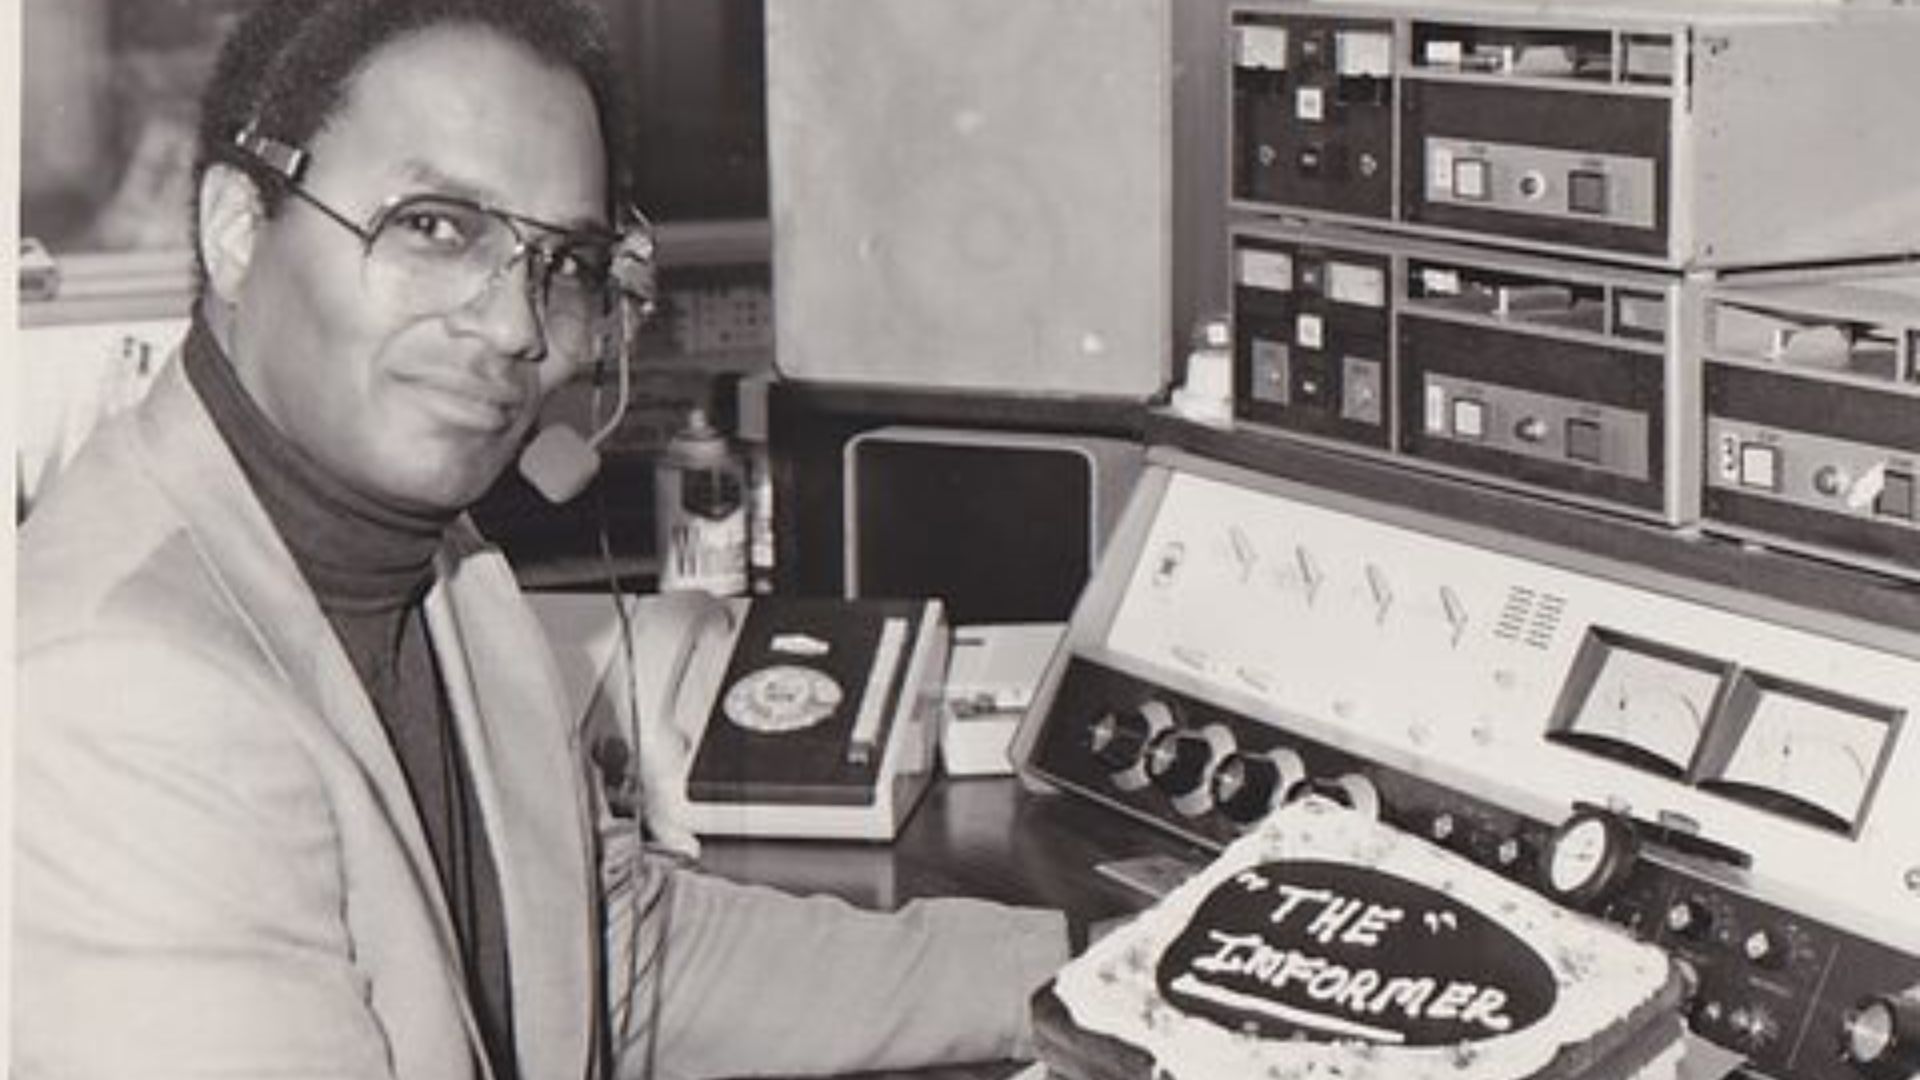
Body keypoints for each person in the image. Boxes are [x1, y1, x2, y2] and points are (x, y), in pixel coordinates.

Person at [12, 2, 1070, 1078]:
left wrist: (1095, 978)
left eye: (564, 261)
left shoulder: (442, 569)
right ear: (237, 229)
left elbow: (607, 964)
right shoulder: (118, 686)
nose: (519, 326)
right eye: (433, 226)